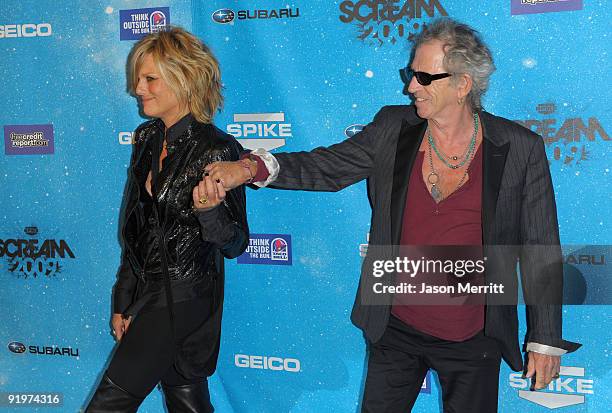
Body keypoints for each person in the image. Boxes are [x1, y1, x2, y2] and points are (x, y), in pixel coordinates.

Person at [205, 18, 580, 412]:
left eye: (423, 76)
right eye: (410, 74)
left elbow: (540, 247)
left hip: (476, 336)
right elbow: (327, 167)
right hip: (395, 328)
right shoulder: (392, 128)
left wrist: (546, 339)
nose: (411, 86)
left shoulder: (519, 148)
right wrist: (249, 168)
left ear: (462, 84)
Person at [85, 27, 248, 413]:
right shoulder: (146, 138)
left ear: (184, 79)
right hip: (149, 294)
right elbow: (137, 229)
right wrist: (124, 299)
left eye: (150, 78)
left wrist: (209, 213)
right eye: (138, 78)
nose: (138, 88)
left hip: (187, 295)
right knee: (185, 396)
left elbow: (236, 242)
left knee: (108, 405)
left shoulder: (218, 148)